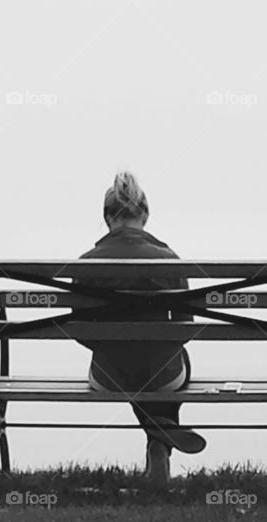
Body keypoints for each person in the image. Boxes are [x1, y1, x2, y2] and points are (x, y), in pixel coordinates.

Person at [73, 171, 206, 483]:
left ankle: (157, 435)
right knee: (167, 362)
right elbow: (185, 329)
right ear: (145, 214)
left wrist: (114, 345)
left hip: (109, 376)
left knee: (130, 364)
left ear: (107, 217)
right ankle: (158, 437)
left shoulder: (86, 264)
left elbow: (77, 328)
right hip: (164, 377)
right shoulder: (170, 261)